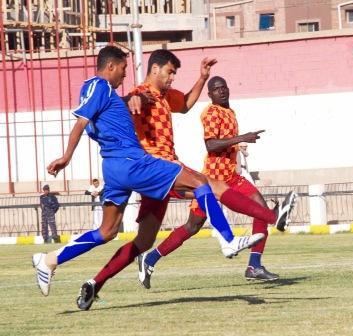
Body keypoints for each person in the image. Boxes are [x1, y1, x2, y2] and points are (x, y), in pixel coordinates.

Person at [32, 46, 281, 301]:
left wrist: (201, 77)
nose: (125, 74)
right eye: (123, 68)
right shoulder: (115, 88)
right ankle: (244, 231)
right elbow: (85, 119)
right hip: (144, 165)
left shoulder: (143, 95)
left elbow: (182, 104)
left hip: (122, 168)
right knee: (205, 184)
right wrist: (67, 156)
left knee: (115, 233)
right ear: (112, 66)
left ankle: (70, 270)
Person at [136, 75, 297, 286]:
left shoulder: (230, 112)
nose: (222, 91)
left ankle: (254, 265)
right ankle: (151, 258)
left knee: (259, 204)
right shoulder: (210, 113)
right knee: (192, 227)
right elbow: (211, 145)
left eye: (224, 87)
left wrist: (238, 146)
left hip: (231, 175)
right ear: (209, 94)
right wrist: (241, 138)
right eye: (216, 89)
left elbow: (226, 144)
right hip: (212, 178)